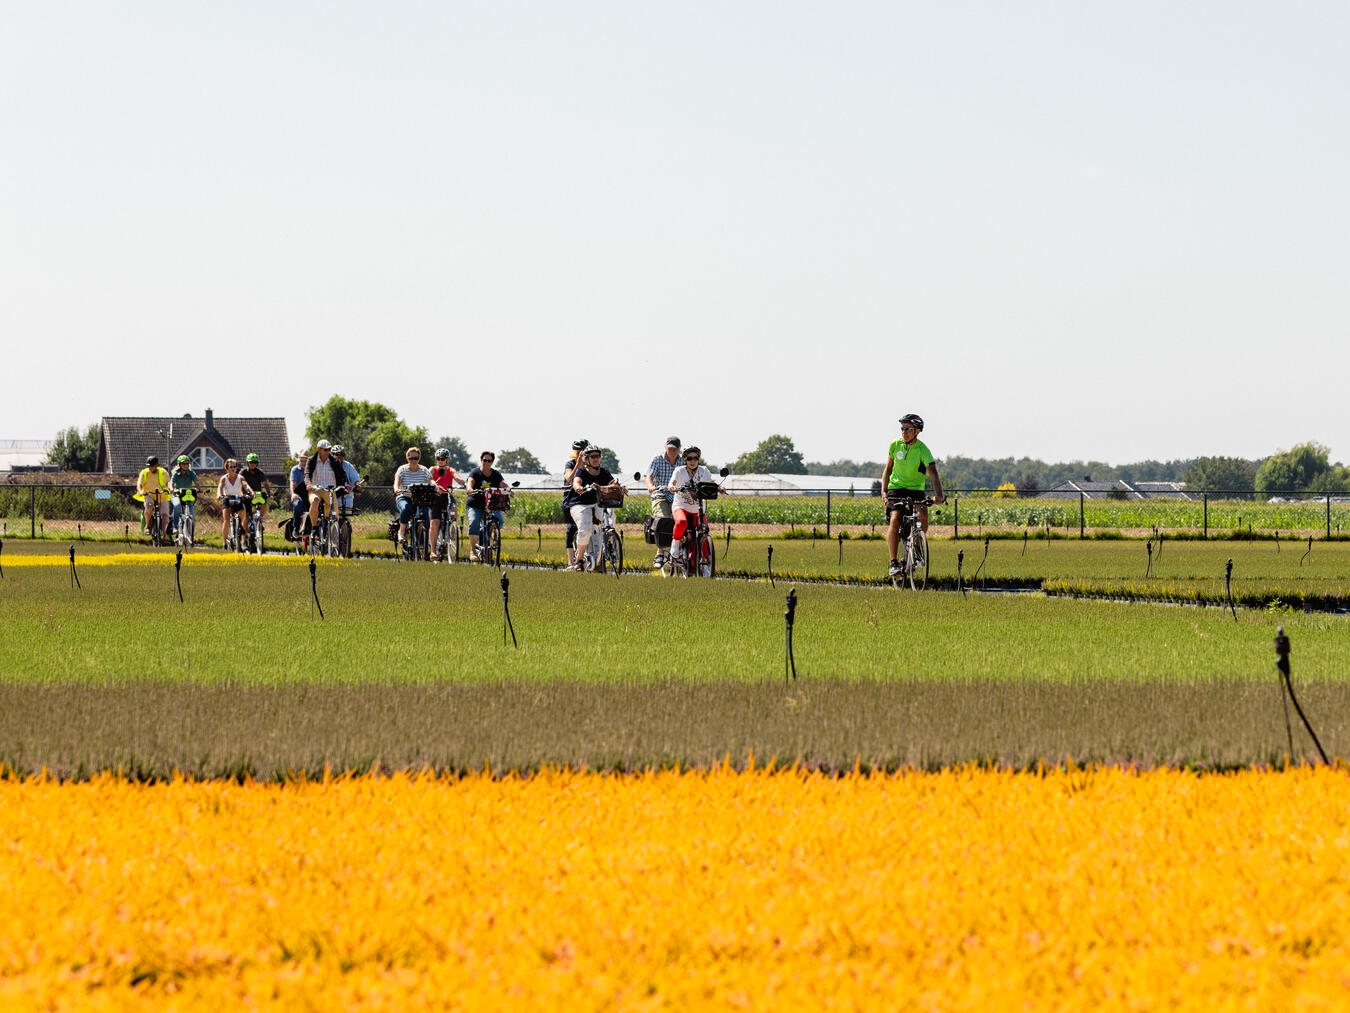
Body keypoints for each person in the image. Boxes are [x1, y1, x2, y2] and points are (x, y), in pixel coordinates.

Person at [883, 413, 944, 577]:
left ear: (917, 431)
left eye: (908, 429)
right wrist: (883, 491)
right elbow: (888, 470)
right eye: (902, 428)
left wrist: (939, 495)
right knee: (895, 518)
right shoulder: (895, 446)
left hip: (915, 489)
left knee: (922, 513)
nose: (904, 431)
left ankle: (917, 546)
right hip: (895, 488)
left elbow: (933, 472)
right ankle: (893, 562)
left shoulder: (922, 450)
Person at [568, 444, 622, 571]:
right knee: (585, 528)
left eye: (597, 456)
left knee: (610, 513)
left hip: (598, 503)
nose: (596, 459)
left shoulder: (603, 472)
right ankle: (579, 560)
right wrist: (578, 487)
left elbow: (611, 482)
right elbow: (577, 481)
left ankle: (609, 540)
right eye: (592, 456)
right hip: (580, 503)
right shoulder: (581, 471)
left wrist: (617, 486)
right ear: (586, 459)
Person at [667, 446, 714, 567]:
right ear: (685, 460)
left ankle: (704, 564)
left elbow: (712, 482)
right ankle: (676, 545)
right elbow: (672, 482)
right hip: (680, 505)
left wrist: (720, 488)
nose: (692, 461)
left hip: (697, 507)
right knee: (681, 522)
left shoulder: (704, 471)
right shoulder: (679, 471)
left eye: (695, 458)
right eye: (689, 458)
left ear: (699, 459)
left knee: (703, 530)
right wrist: (672, 487)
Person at [644, 436, 681, 568]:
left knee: (680, 521)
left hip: (677, 495)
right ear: (665, 447)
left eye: (675, 449)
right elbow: (649, 476)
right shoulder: (658, 459)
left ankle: (679, 551)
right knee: (663, 520)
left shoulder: (682, 461)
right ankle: (659, 552)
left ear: (679, 449)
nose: (672, 451)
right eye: (670, 448)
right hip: (660, 494)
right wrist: (650, 486)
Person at [466, 451, 507, 562]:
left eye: (489, 461)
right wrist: (470, 488)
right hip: (475, 504)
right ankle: (473, 551)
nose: (486, 462)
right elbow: (470, 481)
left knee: (499, 520)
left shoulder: (496, 474)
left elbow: (503, 483)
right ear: (481, 460)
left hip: (491, 505)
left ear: (492, 462)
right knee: (474, 522)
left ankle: (493, 540)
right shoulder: (475, 472)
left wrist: (509, 490)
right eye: (484, 460)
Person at [392, 446, 434, 554]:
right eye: (411, 458)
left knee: (425, 514)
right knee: (406, 509)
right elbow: (397, 481)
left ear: (419, 459)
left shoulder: (424, 470)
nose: (414, 460)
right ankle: (401, 532)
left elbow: (431, 481)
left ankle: (425, 540)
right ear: (407, 458)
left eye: (416, 458)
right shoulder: (402, 469)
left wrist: (436, 487)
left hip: (420, 498)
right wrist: (397, 489)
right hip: (404, 496)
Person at [428, 447, 465, 559]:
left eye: (442, 458)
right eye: (438, 458)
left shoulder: (450, 470)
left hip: (447, 495)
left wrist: (463, 482)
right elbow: (429, 478)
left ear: (447, 459)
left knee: (453, 508)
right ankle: (433, 551)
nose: (440, 460)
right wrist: (435, 484)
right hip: (435, 497)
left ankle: (452, 530)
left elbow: (457, 477)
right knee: (434, 522)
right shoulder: (433, 469)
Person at [305, 440, 346, 535]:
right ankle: (314, 527)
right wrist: (308, 484)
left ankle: (329, 530)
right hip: (315, 489)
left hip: (329, 490)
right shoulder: (312, 460)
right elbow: (307, 474)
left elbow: (342, 474)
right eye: (326, 449)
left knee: (335, 512)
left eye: (329, 449)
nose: (328, 452)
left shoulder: (334, 460)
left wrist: (345, 484)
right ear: (319, 450)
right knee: (315, 501)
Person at [561, 438, 588, 569]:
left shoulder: (590, 466)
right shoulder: (570, 464)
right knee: (571, 529)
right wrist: (578, 464)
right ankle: (571, 562)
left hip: (587, 500)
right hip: (571, 499)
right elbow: (569, 479)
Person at [216, 457, 255, 550]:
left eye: (234, 466)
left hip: (238, 498)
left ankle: (243, 541)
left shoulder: (240, 477)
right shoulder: (224, 478)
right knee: (226, 520)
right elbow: (220, 487)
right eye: (231, 467)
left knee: (244, 517)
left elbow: (246, 485)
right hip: (227, 498)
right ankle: (224, 542)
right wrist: (219, 494)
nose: (233, 468)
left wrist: (251, 492)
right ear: (227, 468)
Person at [137, 455, 172, 538]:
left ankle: (164, 534)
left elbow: (168, 482)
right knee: (149, 505)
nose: (150, 468)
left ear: (157, 465)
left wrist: (170, 489)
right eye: (148, 466)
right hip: (149, 495)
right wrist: (141, 491)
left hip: (162, 495)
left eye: (152, 466)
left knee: (165, 515)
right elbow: (139, 484)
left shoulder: (163, 472)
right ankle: (148, 526)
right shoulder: (144, 473)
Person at [168, 455, 199, 543]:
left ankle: (190, 529)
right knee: (177, 506)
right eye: (183, 464)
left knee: (191, 513)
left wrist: (199, 489)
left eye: (187, 463)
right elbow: (172, 483)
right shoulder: (175, 474)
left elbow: (196, 482)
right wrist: (171, 489)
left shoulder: (191, 473)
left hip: (188, 495)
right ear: (179, 465)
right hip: (177, 494)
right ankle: (175, 527)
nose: (186, 465)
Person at [240, 453, 271, 524]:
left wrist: (268, 492)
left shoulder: (260, 472)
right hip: (246, 494)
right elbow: (239, 482)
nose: (252, 464)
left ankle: (259, 519)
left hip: (257, 494)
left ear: (257, 463)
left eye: (254, 462)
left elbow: (265, 483)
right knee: (247, 514)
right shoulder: (243, 472)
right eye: (251, 462)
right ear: (247, 463)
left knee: (264, 499)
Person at [288, 452, 310, 549]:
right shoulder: (295, 470)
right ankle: (296, 528)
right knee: (298, 504)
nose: (303, 463)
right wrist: (293, 493)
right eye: (301, 460)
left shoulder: (311, 470)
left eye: (305, 460)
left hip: (309, 495)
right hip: (299, 495)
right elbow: (293, 483)